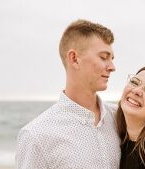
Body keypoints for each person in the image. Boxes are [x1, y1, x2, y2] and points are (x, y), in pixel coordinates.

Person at [16, 19, 120, 168]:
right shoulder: (36, 135)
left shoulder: (120, 118)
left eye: (112, 59)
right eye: (103, 57)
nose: (112, 67)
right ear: (74, 59)